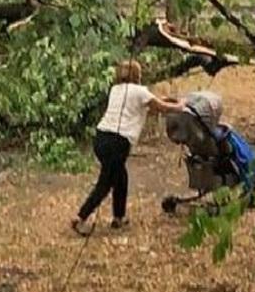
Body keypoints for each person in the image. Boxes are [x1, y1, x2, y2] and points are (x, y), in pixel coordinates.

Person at [71, 60, 184, 235]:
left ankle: (119, 217)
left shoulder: (116, 90)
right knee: (106, 182)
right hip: (118, 141)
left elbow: (147, 102)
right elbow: (159, 107)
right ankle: (81, 217)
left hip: (101, 138)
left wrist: (165, 101)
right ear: (137, 75)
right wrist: (179, 106)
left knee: (120, 178)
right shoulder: (139, 91)